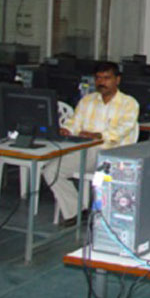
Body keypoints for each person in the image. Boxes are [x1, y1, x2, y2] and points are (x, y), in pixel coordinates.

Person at [43, 61, 139, 226]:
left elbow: (121, 130)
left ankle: (81, 212)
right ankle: (77, 211)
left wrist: (98, 135)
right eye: (98, 78)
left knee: (55, 168)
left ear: (117, 80)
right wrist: (66, 130)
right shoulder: (87, 100)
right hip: (84, 150)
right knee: (51, 170)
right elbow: (74, 123)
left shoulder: (129, 103)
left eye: (107, 78)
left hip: (111, 154)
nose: (101, 82)